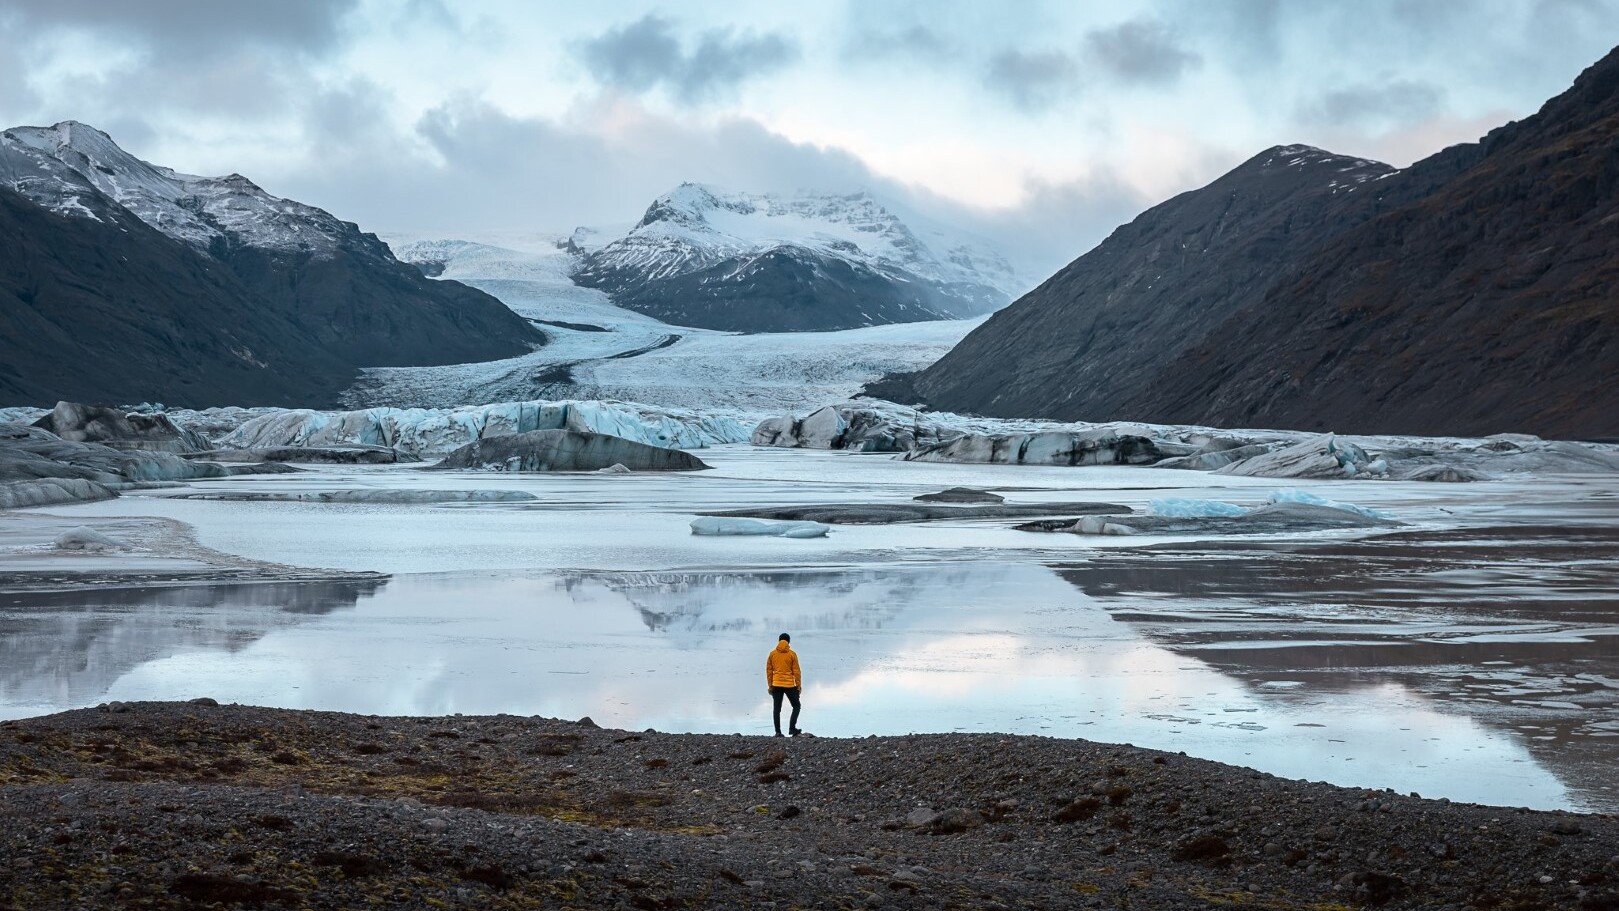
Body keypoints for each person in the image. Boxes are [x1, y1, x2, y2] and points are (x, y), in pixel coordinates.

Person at [766, 632, 802, 737]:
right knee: (796, 706)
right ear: (788, 642)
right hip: (789, 685)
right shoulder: (792, 654)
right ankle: (792, 728)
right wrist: (798, 686)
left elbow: (769, 671)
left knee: (777, 709)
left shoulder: (772, 654)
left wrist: (770, 686)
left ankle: (778, 732)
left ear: (779, 641)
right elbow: (797, 672)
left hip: (776, 684)